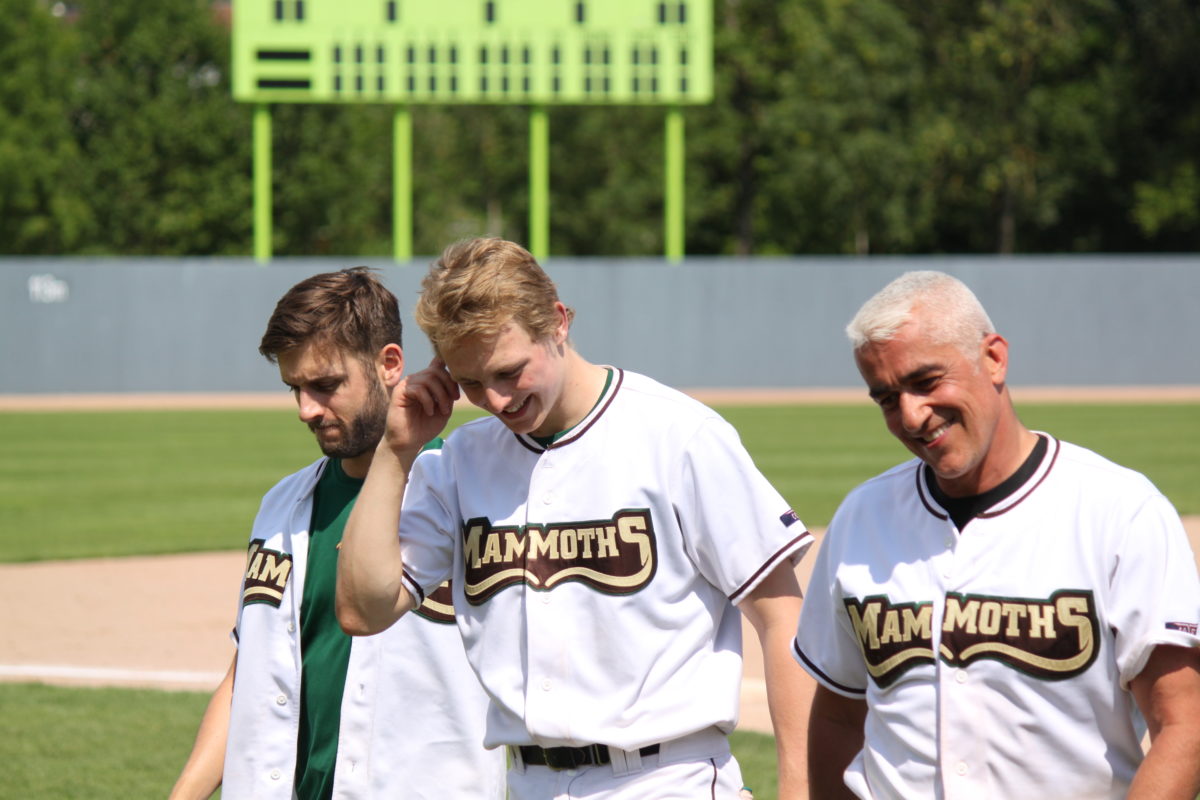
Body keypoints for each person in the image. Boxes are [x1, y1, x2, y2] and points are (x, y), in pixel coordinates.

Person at [334, 237, 813, 799]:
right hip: (528, 781)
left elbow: (782, 616)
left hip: (664, 777)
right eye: (470, 383)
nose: (496, 399)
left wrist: (800, 789)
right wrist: (395, 453)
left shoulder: (678, 436)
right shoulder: (460, 462)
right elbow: (361, 611)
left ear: (558, 322)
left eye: (509, 371)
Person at [793, 270, 1200, 799]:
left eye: (925, 381)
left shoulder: (1118, 512)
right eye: (887, 399)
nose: (912, 416)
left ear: (994, 358)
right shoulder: (862, 518)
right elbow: (839, 718)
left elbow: (1183, 724)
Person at [169, 268, 505, 800]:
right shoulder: (282, 504)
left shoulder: (471, 495)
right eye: (295, 389)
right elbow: (249, 672)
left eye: (326, 385)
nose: (306, 409)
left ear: (390, 364)